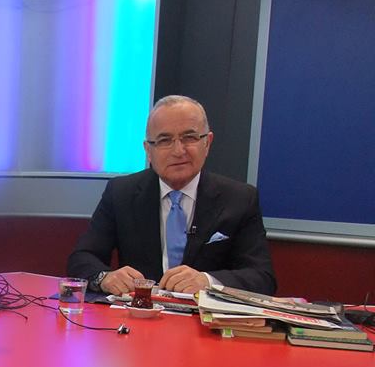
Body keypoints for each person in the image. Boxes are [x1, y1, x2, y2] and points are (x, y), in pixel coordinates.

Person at [67, 95, 276, 296]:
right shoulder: (121, 193)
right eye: (165, 140)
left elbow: (262, 277)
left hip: (203, 317)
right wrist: (105, 277)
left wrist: (207, 281)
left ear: (207, 143)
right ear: (148, 150)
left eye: (189, 137)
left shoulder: (239, 199)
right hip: (139, 314)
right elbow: (82, 258)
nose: (178, 151)